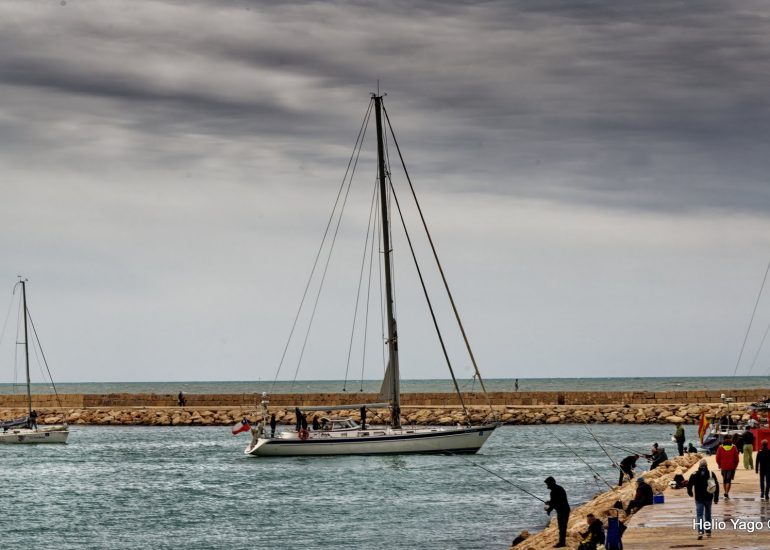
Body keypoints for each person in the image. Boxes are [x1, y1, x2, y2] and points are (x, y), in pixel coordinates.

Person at [687, 458, 719, 540]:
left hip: (699, 498)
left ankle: (700, 532)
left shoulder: (694, 474)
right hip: (708, 497)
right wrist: (716, 498)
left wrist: (690, 493)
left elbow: (689, 484)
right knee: (708, 515)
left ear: (699, 466)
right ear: (706, 465)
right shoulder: (711, 474)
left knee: (699, 515)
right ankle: (708, 532)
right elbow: (716, 486)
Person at [544, 476, 570, 548]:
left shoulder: (554, 491)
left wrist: (549, 509)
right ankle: (562, 542)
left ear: (551, 483)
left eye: (547, 484)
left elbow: (555, 502)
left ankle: (562, 543)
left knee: (562, 527)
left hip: (563, 511)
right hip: (563, 510)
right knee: (562, 527)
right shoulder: (559, 488)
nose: (547, 486)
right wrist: (549, 504)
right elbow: (555, 501)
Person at [715, 434, 740, 499]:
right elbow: (737, 458)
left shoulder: (720, 447)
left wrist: (719, 464)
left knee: (724, 480)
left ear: (724, 440)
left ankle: (726, 492)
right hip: (731, 466)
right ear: (730, 440)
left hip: (723, 466)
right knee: (728, 480)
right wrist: (736, 465)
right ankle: (726, 492)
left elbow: (717, 458)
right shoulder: (734, 447)